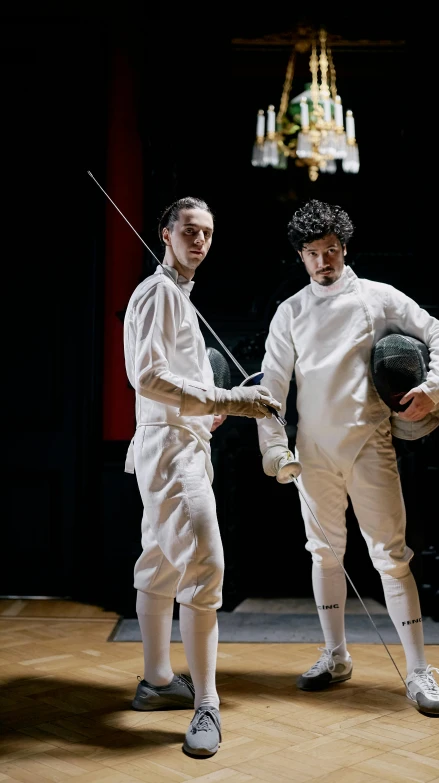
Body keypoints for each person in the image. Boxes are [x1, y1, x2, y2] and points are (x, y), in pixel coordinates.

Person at [257, 199, 439, 717]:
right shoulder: (291, 313)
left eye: (331, 250)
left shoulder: (378, 298)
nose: (323, 261)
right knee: (324, 555)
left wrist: (433, 388)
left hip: (370, 445)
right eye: (313, 253)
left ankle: (417, 672)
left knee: (392, 557)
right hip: (314, 453)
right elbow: (271, 389)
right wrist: (275, 448)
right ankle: (336, 655)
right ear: (300, 257)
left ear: (344, 248)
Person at [123, 196, 281, 757]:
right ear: (165, 234)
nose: (199, 241)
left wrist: (210, 413)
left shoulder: (178, 297)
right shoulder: (158, 291)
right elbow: (147, 377)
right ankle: (206, 705)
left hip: (178, 444)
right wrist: (233, 400)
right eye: (189, 231)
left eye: (208, 233)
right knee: (206, 565)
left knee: (162, 559)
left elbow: (172, 385)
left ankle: (158, 681)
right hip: (170, 453)